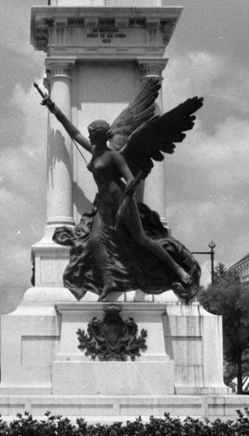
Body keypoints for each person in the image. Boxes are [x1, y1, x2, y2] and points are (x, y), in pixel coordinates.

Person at [41, 95, 197, 301]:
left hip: (122, 202)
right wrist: (54, 109)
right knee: (95, 240)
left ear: (99, 136)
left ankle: (178, 269)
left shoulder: (115, 156)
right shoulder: (95, 150)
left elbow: (131, 179)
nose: (87, 134)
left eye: (91, 133)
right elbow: (74, 133)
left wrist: (126, 202)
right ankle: (109, 281)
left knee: (142, 239)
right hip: (105, 205)